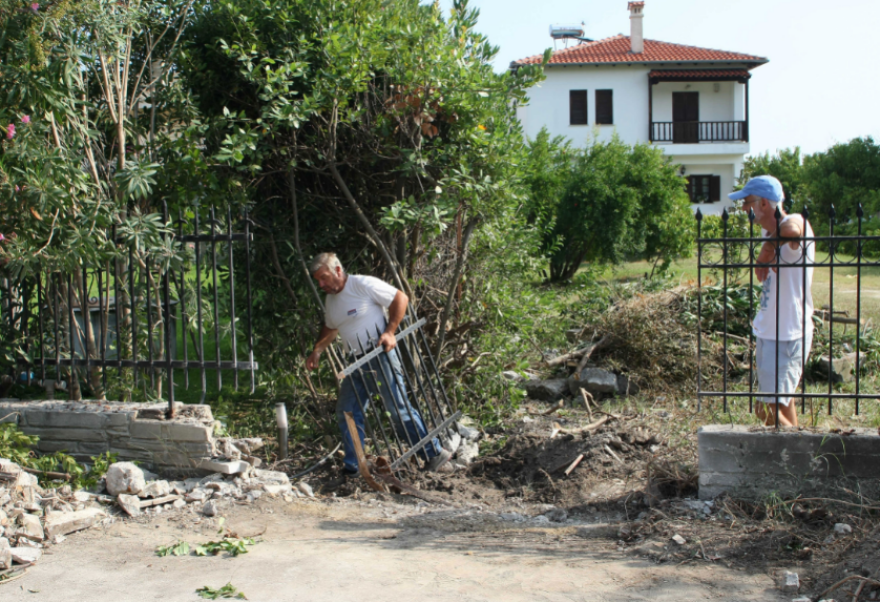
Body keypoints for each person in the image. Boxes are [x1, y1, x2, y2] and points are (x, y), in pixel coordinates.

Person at [305, 252, 452, 474]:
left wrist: (390, 332)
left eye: (324, 278)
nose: (321, 284)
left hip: (379, 356)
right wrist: (317, 350)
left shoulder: (362, 284)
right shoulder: (331, 301)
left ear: (338, 270)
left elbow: (400, 298)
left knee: (397, 409)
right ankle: (355, 466)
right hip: (355, 363)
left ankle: (434, 453)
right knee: (347, 411)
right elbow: (331, 327)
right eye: (318, 281)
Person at [730, 175, 814, 427]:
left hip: (788, 334)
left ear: (764, 203)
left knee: (764, 408)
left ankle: (802, 449)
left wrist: (766, 251)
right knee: (782, 403)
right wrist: (767, 245)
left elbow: (793, 230)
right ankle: (792, 449)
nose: (744, 209)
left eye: (747, 202)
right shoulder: (768, 232)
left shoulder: (794, 221)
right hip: (771, 332)